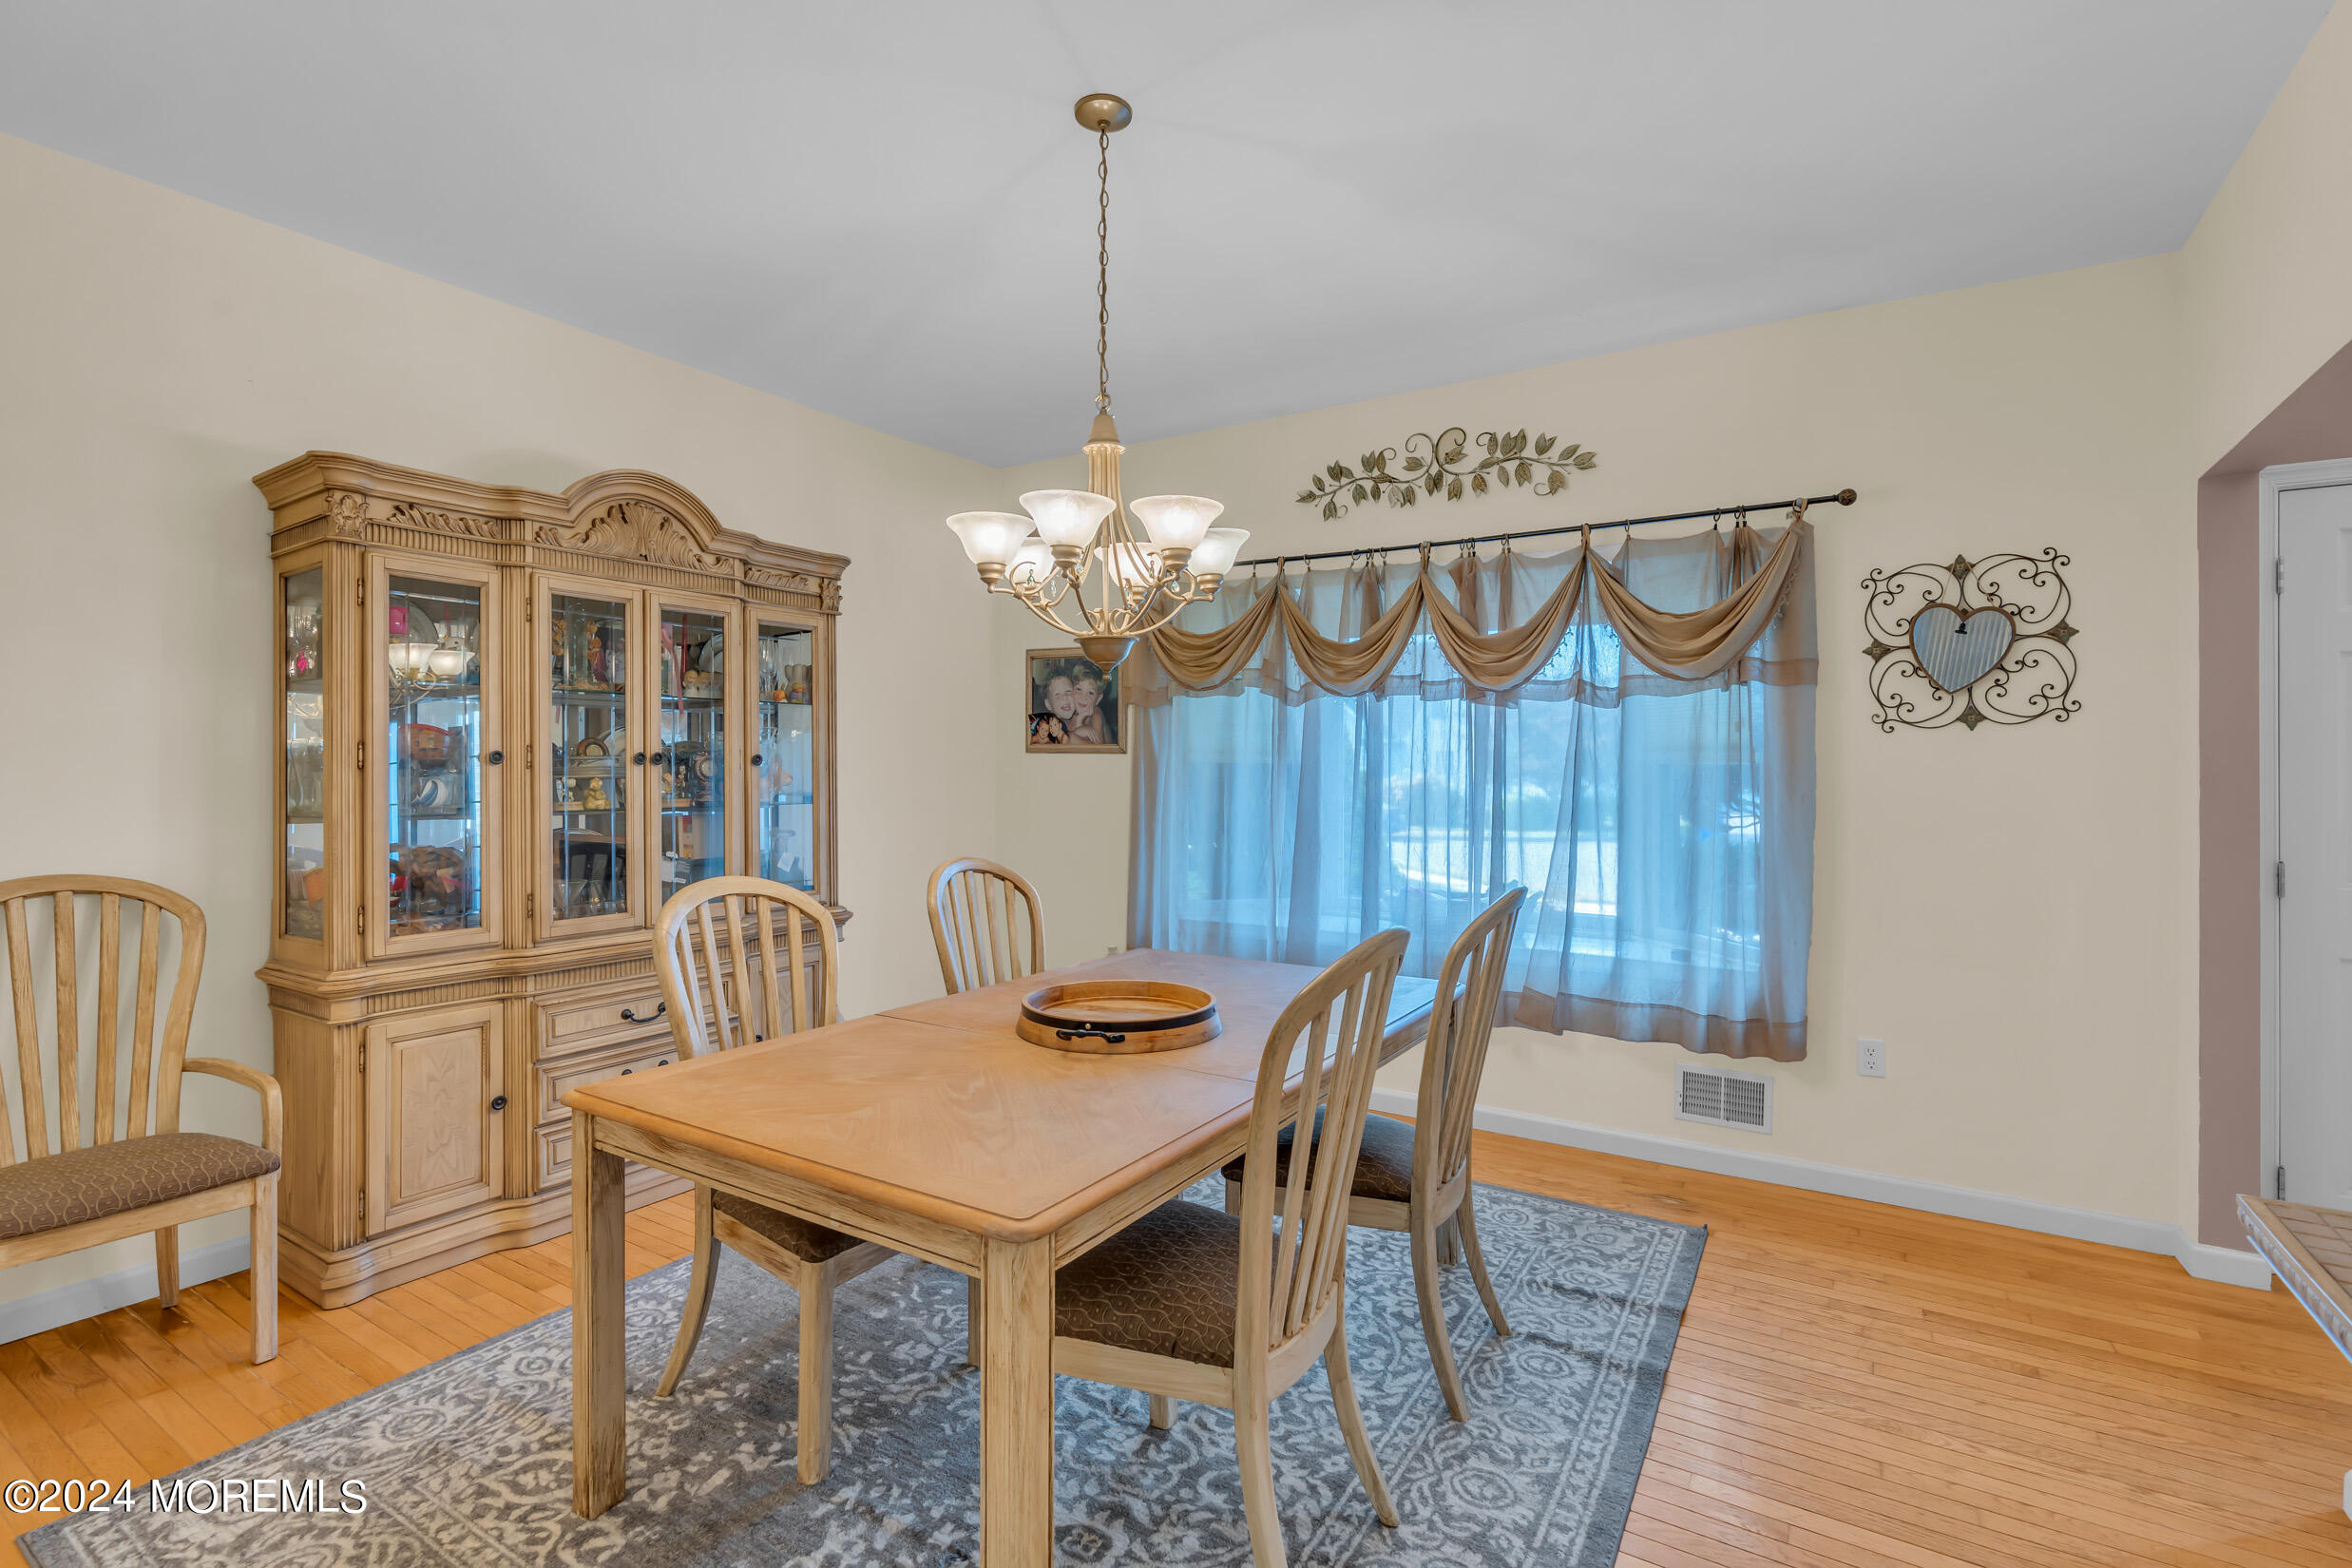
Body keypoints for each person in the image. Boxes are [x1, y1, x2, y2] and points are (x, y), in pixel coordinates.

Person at [1065, 661, 1115, 745]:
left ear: (1098, 699)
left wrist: (1072, 734)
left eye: (1090, 693)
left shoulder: (1096, 714)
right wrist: (1079, 722)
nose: (1083, 697)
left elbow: (1098, 748)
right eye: (1079, 689)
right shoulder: (1070, 715)